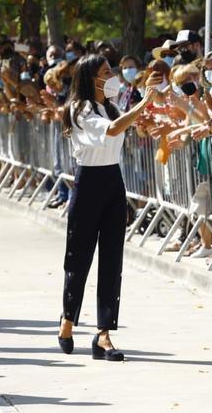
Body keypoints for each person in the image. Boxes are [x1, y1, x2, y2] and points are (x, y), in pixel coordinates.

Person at [56, 54, 158, 361]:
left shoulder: (110, 107)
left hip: (114, 180)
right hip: (88, 183)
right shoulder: (80, 109)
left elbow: (122, 127)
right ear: (90, 78)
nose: (111, 76)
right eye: (105, 72)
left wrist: (145, 115)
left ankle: (104, 334)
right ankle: (68, 319)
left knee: (112, 260)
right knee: (79, 257)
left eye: (111, 70)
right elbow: (111, 131)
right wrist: (142, 105)